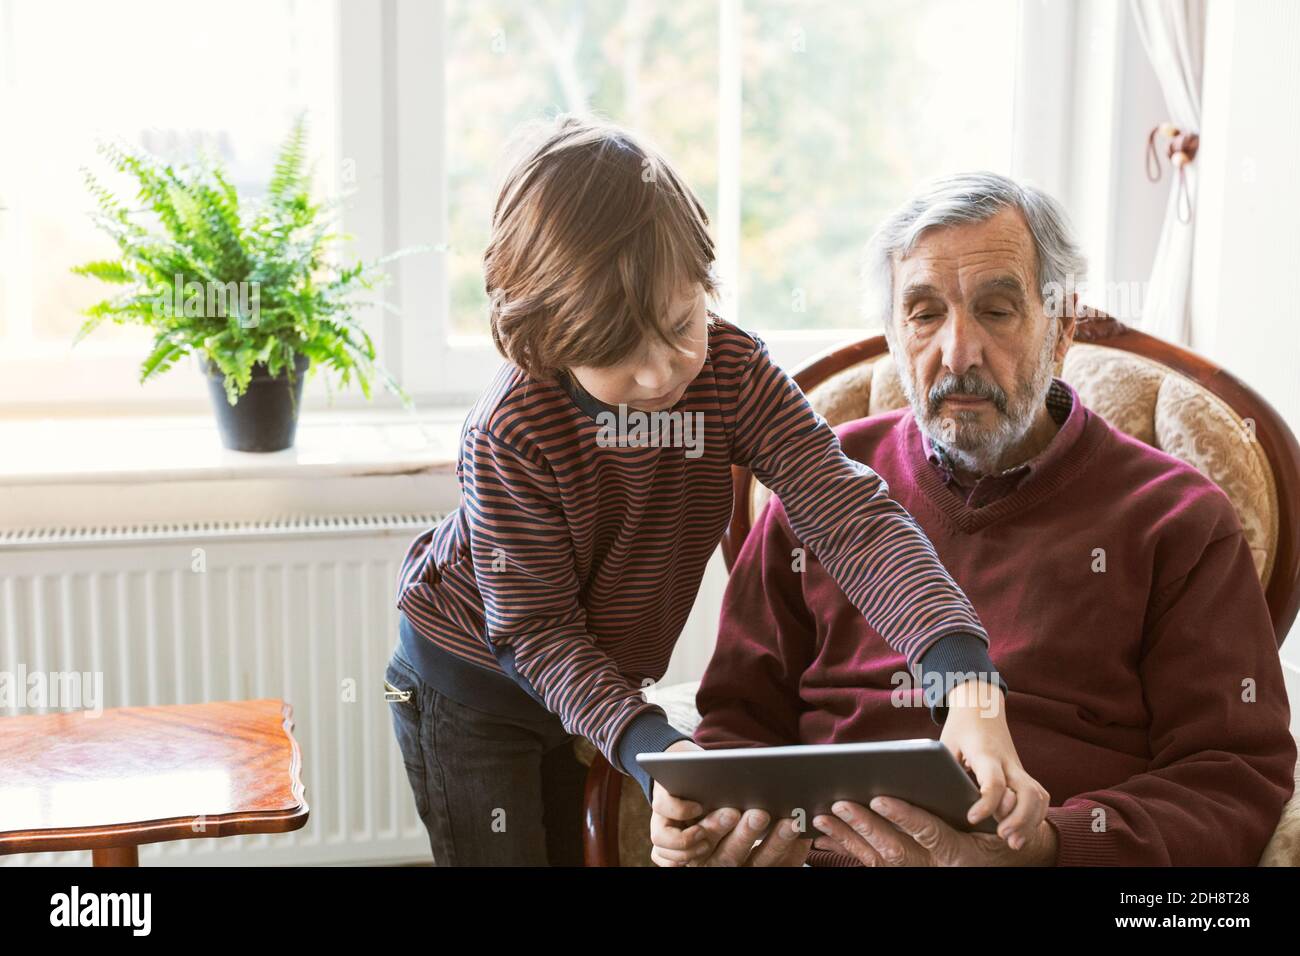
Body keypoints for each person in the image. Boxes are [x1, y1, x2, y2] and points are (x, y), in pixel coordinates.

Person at [386, 118, 1044, 865]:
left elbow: (850, 516)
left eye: (679, 324)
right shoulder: (509, 430)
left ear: (704, 280)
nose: (662, 372)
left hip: (590, 671)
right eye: (616, 356)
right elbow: (536, 633)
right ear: (547, 342)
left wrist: (966, 683)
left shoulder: (730, 370)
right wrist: (648, 741)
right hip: (471, 681)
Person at [654, 171, 1296, 866]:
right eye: (925, 313)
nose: (958, 353)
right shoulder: (824, 489)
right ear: (895, 336)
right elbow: (736, 724)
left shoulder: (1178, 520)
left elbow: (1234, 778)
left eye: (996, 310)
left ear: (1062, 330)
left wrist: (1051, 848)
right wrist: (711, 823)